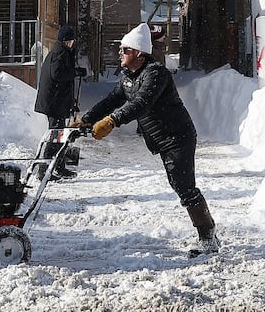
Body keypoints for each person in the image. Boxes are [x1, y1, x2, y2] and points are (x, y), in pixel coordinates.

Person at [71, 22, 220, 255]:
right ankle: (208, 232)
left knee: (184, 187)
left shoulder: (156, 74)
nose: (120, 53)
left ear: (139, 53)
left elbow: (141, 103)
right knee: (179, 185)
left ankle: (208, 238)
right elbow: (112, 100)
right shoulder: (129, 77)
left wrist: (112, 121)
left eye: (125, 50)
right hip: (162, 139)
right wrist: (87, 119)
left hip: (177, 137)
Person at [33, 25, 80, 180]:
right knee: (56, 135)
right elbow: (57, 74)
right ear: (65, 41)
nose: (72, 44)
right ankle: (43, 170)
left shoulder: (60, 51)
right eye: (70, 41)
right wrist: (75, 72)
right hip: (54, 103)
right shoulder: (60, 52)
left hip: (56, 101)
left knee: (60, 135)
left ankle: (59, 167)